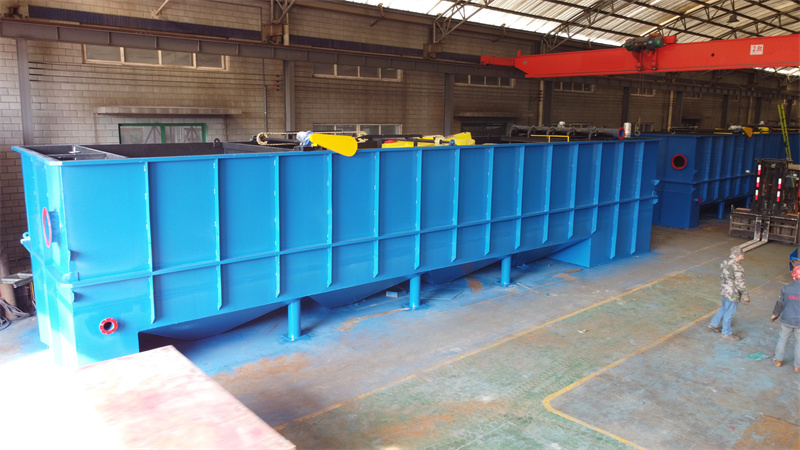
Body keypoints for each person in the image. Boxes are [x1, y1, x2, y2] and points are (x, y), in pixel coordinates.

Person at [708, 247, 750, 340]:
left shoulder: (725, 262)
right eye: (741, 255)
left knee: (723, 307)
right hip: (732, 293)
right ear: (737, 255)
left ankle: (713, 324)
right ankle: (726, 332)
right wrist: (745, 295)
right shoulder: (737, 267)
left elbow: (722, 276)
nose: (742, 257)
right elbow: (740, 283)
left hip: (724, 290)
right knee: (729, 312)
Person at [770, 265, 800, 372]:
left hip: (786, 319)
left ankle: (778, 360)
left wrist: (775, 314)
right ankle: (797, 366)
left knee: (782, 340)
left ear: (794, 276)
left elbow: (780, 303)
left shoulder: (786, 289)